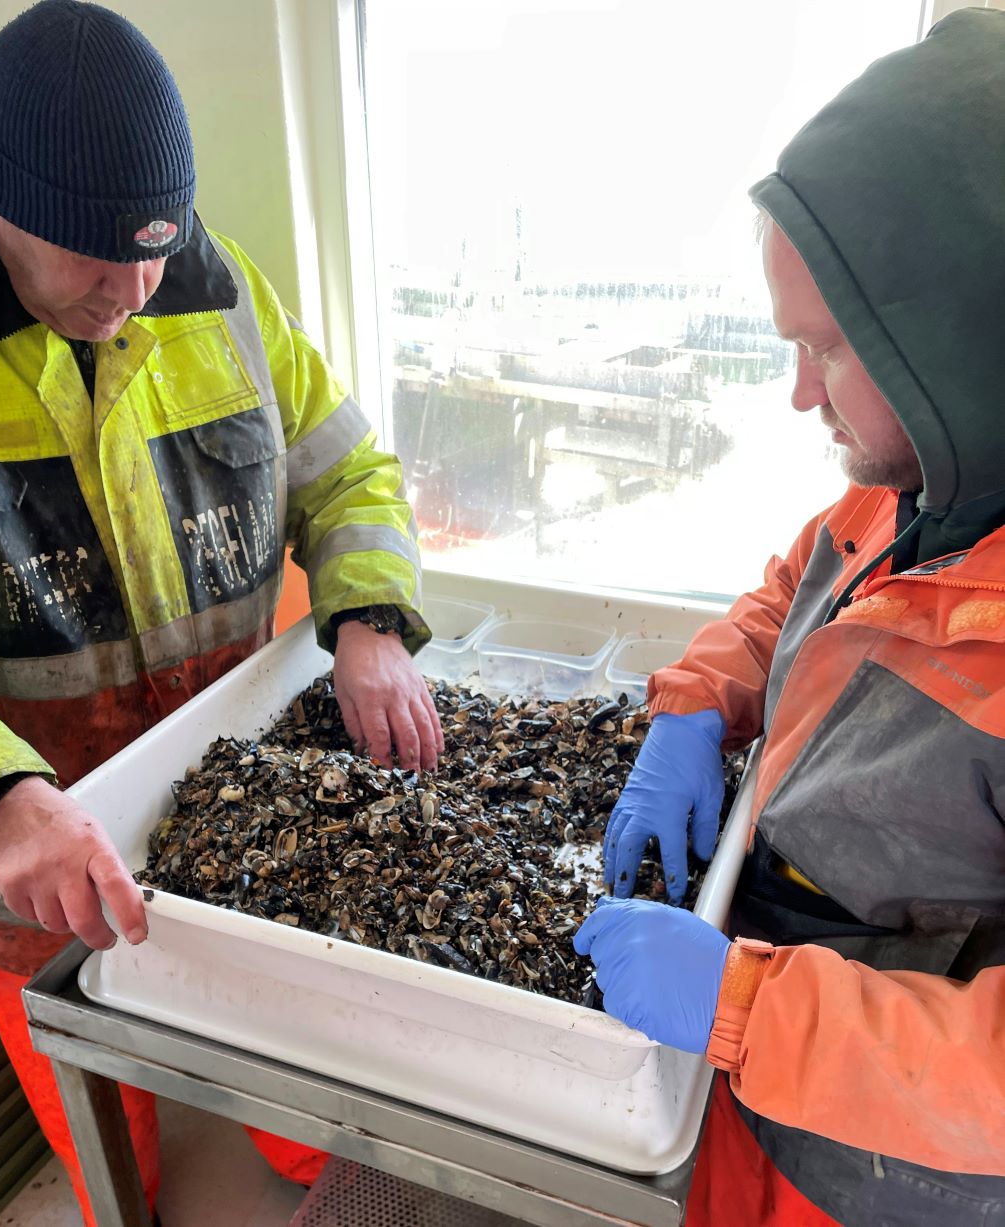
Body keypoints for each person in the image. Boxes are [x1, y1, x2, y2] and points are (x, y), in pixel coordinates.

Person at [0, 1, 444, 1220]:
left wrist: (369, 619)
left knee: (294, 1102)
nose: (132, 292)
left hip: (232, 811)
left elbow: (346, 470)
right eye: (90, 257)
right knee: (109, 1131)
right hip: (28, 865)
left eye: (154, 250)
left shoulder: (217, 289)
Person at [574, 10, 1005, 1227]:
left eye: (829, 347)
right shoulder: (911, 486)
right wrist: (695, 704)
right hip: (755, 1070)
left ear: (961, 339)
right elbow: (791, 599)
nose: (798, 391)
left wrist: (750, 1008)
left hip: (896, 1176)